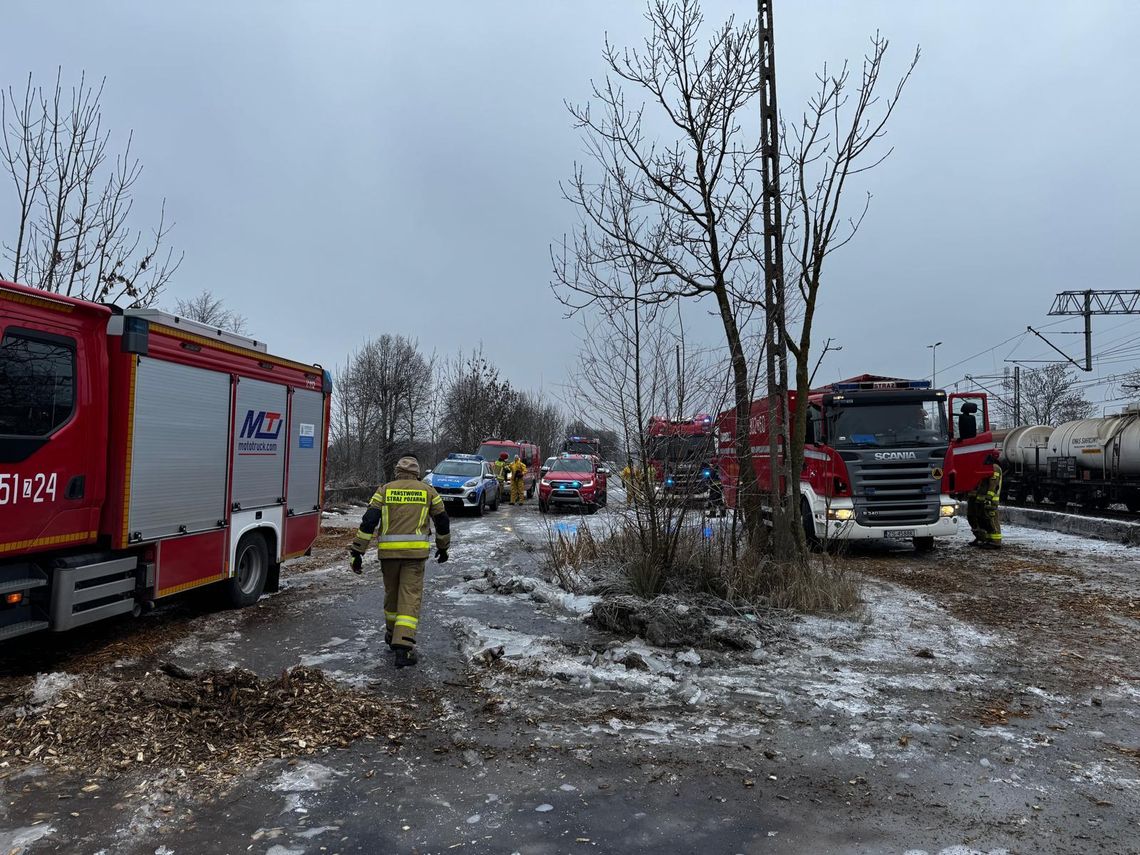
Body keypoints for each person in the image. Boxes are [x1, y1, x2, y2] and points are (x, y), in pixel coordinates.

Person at [349, 456, 451, 668]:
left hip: (389, 556)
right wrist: (443, 547)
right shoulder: (428, 491)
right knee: (409, 597)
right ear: (417, 472)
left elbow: (369, 521)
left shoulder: (384, 490)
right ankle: (403, 649)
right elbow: (442, 520)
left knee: (392, 595)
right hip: (415, 556)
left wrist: (358, 551)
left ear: (397, 471)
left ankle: (391, 634)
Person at [967, 454, 1002, 549]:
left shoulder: (994, 468)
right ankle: (986, 539)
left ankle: (996, 541)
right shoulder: (988, 467)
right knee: (984, 520)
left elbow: (993, 485)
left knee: (992, 519)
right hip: (984, 499)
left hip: (990, 500)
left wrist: (989, 498)